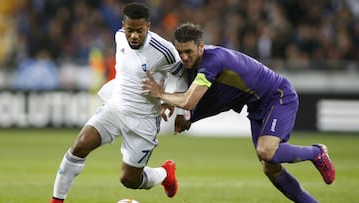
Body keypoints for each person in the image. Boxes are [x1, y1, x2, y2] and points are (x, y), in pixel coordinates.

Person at [142, 22, 335, 203]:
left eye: (188, 51)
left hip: (278, 96)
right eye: (180, 52)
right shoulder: (195, 65)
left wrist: (162, 95)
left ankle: (316, 152)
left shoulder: (212, 61)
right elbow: (215, 101)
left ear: (201, 47)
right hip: (257, 106)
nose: (184, 57)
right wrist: (185, 113)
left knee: (266, 151)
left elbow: (189, 100)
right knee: (270, 168)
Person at [49, 3, 183, 203]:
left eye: (140, 31)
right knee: (80, 146)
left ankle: (165, 173)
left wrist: (174, 103)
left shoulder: (164, 50)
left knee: (129, 180)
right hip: (115, 108)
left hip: (143, 120)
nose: (134, 36)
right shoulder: (119, 36)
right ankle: (56, 200)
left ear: (148, 26)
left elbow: (184, 75)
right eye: (130, 30)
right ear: (123, 26)